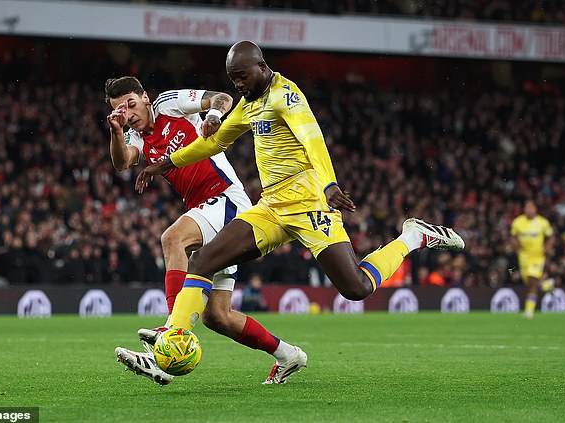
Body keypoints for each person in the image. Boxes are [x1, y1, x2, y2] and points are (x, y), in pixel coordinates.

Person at [135, 41, 465, 384]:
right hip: (271, 206)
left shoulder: (286, 96)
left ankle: (412, 236)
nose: (237, 84)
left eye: (242, 76)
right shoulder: (249, 104)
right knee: (203, 260)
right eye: (233, 79)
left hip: (309, 204)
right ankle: (172, 337)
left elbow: (313, 139)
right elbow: (214, 143)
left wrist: (329, 185)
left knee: (356, 288)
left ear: (262, 67)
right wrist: (166, 163)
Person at [104, 76, 302, 385]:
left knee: (172, 238)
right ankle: (288, 355)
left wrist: (211, 117)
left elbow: (221, 98)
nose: (128, 113)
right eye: (120, 111)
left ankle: (171, 330)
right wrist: (116, 132)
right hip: (206, 210)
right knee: (217, 317)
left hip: (225, 199)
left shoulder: (169, 103)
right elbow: (121, 162)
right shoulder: (135, 138)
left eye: (131, 104)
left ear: (144, 97)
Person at [510, 200, 555, 319]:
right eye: (526, 207)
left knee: (532, 278)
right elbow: (513, 237)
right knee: (529, 283)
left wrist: (548, 247)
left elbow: (551, 237)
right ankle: (545, 285)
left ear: (536, 209)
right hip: (523, 256)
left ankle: (529, 312)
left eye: (531, 207)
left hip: (537, 256)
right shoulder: (518, 222)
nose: (528, 209)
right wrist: (516, 245)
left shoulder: (542, 222)